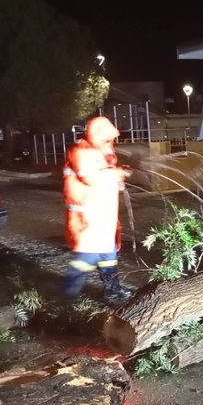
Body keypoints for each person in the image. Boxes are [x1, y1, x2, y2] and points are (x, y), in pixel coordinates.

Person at [63, 116, 134, 305]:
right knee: (88, 256)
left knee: (108, 255)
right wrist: (117, 173)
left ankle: (112, 289)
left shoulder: (100, 152)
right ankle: (66, 295)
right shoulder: (81, 151)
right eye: (106, 139)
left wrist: (117, 179)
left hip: (102, 217)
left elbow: (105, 175)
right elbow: (91, 177)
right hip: (87, 219)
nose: (110, 142)